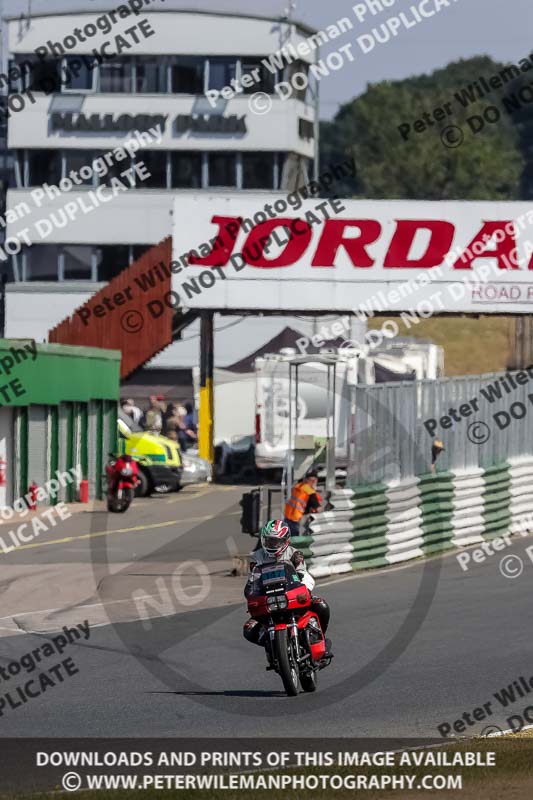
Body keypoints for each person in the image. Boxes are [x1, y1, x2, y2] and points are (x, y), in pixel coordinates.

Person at [242, 519, 332, 657]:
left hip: (291, 595)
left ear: (286, 540)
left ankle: (322, 641)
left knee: (321, 605)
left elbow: (303, 574)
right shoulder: (257, 557)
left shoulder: (295, 554)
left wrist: (305, 590)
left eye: (275, 541)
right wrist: (250, 592)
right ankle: (272, 645)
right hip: (268, 600)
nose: (272, 544)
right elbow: (254, 579)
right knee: (249, 629)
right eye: (268, 541)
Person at [283, 469, 323, 536]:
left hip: (288, 518)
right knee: (297, 540)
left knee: (288, 538)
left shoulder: (299, 486)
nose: (313, 482)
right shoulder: (310, 492)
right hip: (298, 521)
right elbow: (318, 509)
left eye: (314, 480)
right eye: (312, 480)